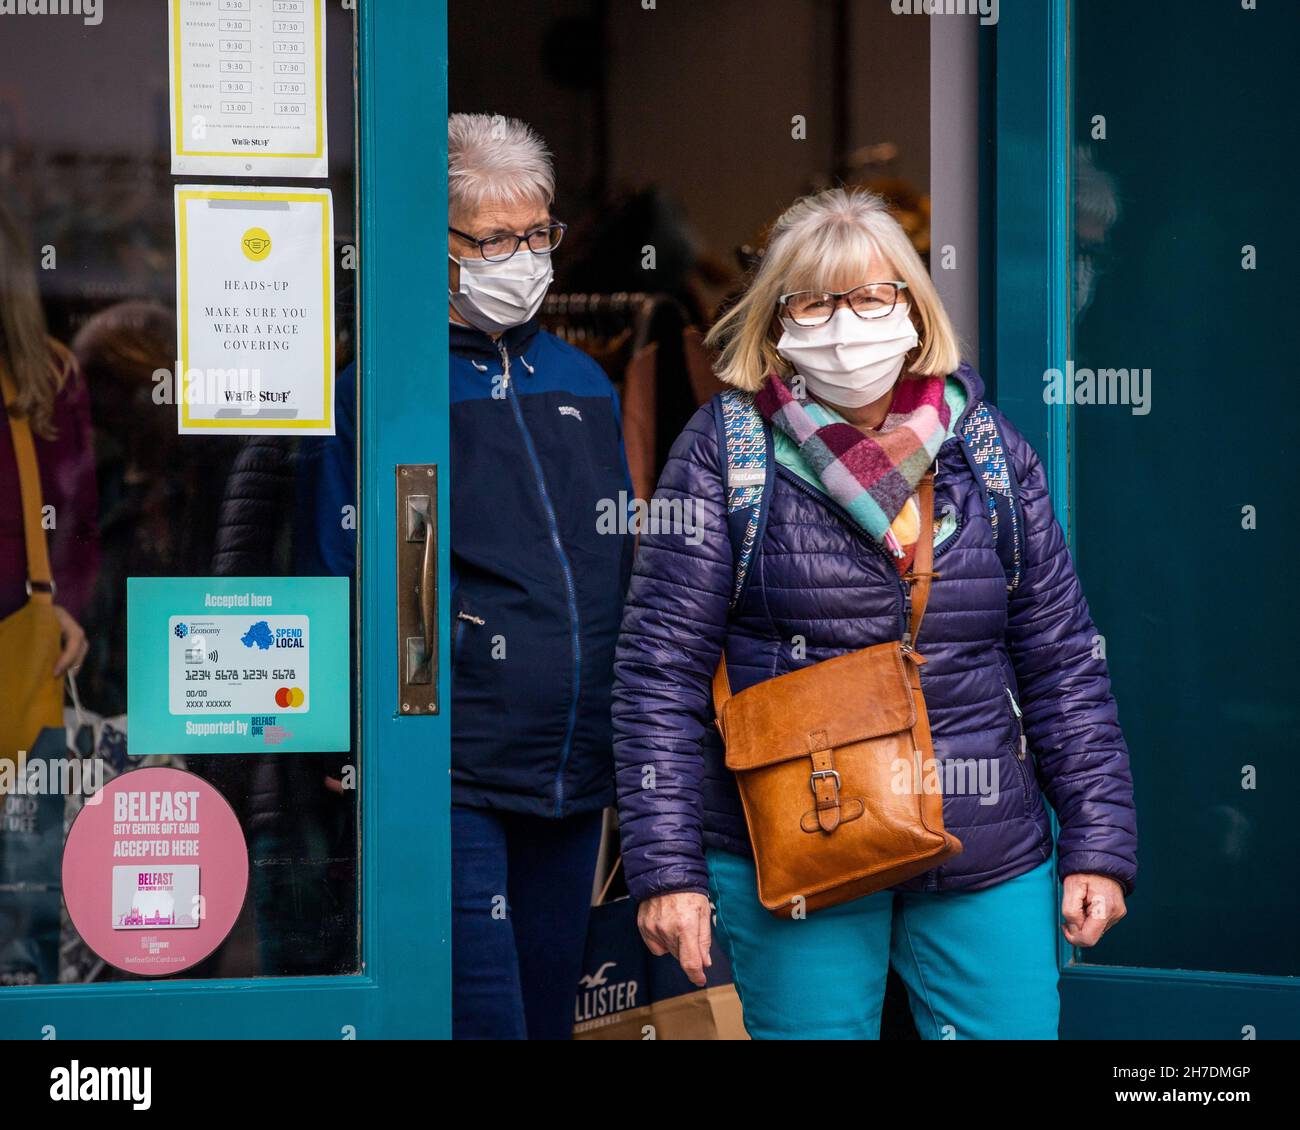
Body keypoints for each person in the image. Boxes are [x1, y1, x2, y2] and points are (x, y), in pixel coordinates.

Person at [611, 187, 1137, 1040]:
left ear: (913, 308)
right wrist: (667, 866)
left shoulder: (989, 449)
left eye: (871, 296)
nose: (846, 323)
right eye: (815, 300)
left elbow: (1062, 658)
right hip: (794, 836)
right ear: (777, 323)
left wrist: (1098, 842)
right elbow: (658, 673)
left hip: (981, 838)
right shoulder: (727, 450)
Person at [0, 197, 98, 747]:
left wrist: (68, 608)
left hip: (25, 651)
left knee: (25, 826)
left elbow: (78, 519)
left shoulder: (48, 373)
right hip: (24, 642)